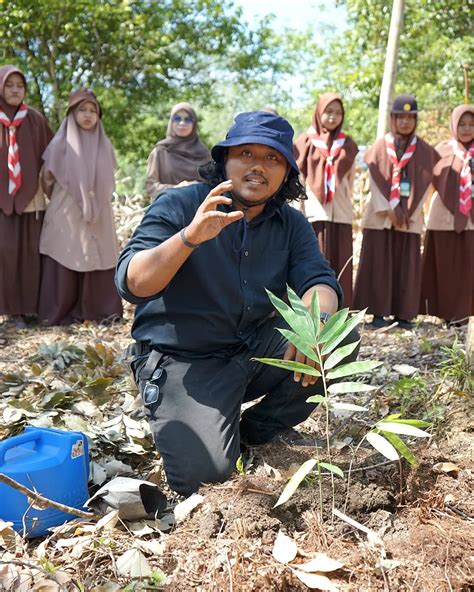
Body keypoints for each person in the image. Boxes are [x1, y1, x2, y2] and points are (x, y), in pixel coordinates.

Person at [116, 111, 358, 497]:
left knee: (336, 333)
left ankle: (254, 432)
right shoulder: (181, 205)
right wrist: (189, 238)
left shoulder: (290, 223)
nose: (258, 167)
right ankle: (205, 426)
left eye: (272, 158)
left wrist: (313, 324)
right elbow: (133, 283)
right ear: (224, 161)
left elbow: (319, 282)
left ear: (286, 173)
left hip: (253, 349)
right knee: (206, 480)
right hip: (185, 362)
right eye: (245, 153)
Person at [38, 89, 123, 325]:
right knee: (64, 252)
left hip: (99, 213)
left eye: (93, 111)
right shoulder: (59, 144)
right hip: (66, 210)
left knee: (98, 256)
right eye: (82, 110)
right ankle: (61, 312)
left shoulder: (104, 144)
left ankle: (100, 312)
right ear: (72, 113)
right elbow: (46, 179)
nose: (87, 115)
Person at [353, 95, 437, 330]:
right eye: (400, 117)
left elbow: (426, 182)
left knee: (407, 265)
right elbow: (374, 177)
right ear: (392, 118)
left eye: (410, 117)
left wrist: (409, 210)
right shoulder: (380, 146)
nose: (405, 122)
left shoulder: (423, 150)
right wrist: (388, 209)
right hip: (381, 217)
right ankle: (378, 313)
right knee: (379, 263)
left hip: (410, 218)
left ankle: (405, 314)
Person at [294, 93, 358, 307]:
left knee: (340, 263)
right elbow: (297, 180)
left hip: (340, 213)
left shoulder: (347, 144)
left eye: (338, 113)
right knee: (314, 263)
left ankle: (341, 311)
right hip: (313, 213)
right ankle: (313, 311)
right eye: (328, 112)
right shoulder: (304, 142)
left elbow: (351, 178)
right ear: (318, 112)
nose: (333, 117)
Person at [0, 65, 53, 323]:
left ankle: (29, 308)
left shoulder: (34, 119)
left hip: (31, 200)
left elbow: (52, 155)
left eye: (19, 86)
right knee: (6, 253)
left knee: (30, 254)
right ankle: (10, 310)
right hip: (1, 200)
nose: (14, 90)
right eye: (9, 85)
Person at [420, 104, 474, 324]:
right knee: (446, 267)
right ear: (453, 125)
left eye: (471, 124)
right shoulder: (440, 150)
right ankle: (445, 313)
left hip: (471, 222)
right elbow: (428, 183)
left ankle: (467, 313)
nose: (467, 129)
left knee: (469, 266)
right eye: (462, 124)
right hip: (443, 218)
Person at [144, 102, 210, 200]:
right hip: (167, 208)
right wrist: (176, 188)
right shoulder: (160, 152)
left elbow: (213, 185)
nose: (182, 123)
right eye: (177, 118)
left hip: (199, 208)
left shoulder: (204, 154)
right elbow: (150, 186)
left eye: (187, 119)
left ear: (194, 123)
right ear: (171, 122)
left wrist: (195, 187)